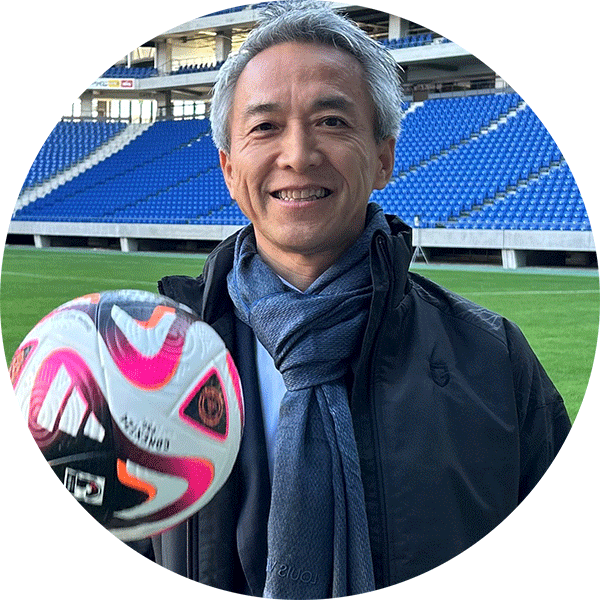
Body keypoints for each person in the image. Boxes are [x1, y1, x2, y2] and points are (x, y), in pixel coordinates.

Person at [148, 1, 571, 597]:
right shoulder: (151, 363)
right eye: (265, 127)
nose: (298, 155)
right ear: (228, 168)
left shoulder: (494, 360)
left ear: (383, 158)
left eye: (331, 121)